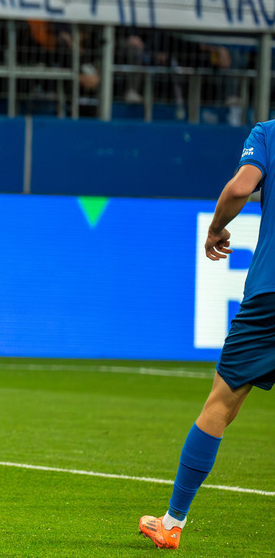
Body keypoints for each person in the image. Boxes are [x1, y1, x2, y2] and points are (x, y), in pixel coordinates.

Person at [139, 122, 275, 549]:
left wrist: (216, 227)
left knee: (222, 402)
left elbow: (240, 188)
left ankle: (173, 522)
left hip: (271, 295)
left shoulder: (268, 133)